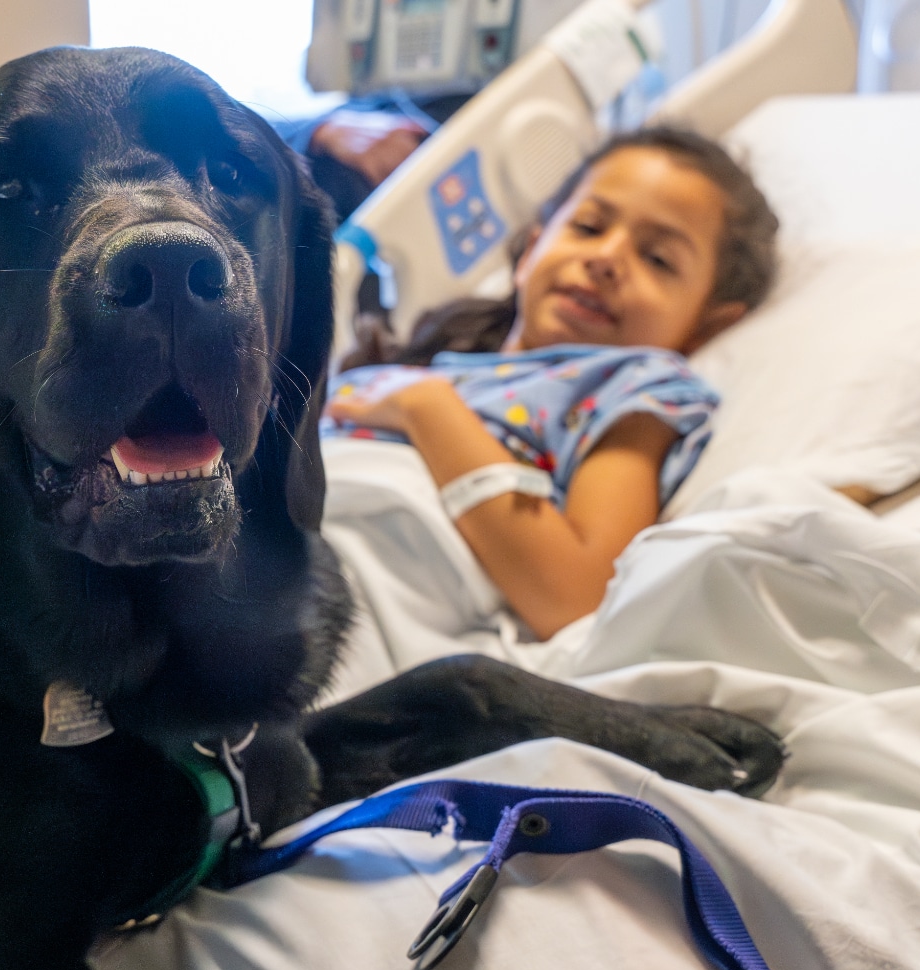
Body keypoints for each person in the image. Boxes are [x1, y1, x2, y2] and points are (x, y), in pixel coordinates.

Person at [320, 125, 778, 639]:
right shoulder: (427, 367)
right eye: (587, 226)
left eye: (657, 259)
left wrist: (427, 409)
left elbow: (575, 595)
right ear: (532, 249)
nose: (606, 258)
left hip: (350, 583)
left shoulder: (630, 388)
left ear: (707, 324)